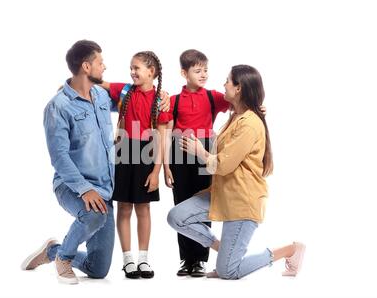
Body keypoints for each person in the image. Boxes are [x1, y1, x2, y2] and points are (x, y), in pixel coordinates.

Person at [167, 65, 305, 280]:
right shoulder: (236, 117)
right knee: (177, 216)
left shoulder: (249, 123)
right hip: (223, 195)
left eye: (228, 81)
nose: (224, 84)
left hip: (241, 201)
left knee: (227, 271)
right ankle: (226, 253)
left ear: (239, 88)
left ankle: (290, 250)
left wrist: (200, 152)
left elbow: (223, 165)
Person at [21, 40, 117, 285]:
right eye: (100, 62)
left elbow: (133, 99)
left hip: (105, 189)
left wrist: (159, 96)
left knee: (98, 270)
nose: (104, 67)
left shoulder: (102, 96)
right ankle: (63, 258)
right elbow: (59, 157)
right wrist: (85, 189)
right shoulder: (58, 107)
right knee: (94, 216)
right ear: (86, 66)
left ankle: (52, 251)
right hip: (71, 185)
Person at [102, 51, 171, 279]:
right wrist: (67, 86)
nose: (132, 72)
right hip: (123, 152)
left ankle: (143, 259)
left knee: (143, 208)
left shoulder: (160, 100)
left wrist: (156, 171)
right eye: (131, 68)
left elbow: (161, 138)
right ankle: (127, 259)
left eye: (137, 68)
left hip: (146, 155)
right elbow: (99, 82)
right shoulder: (124, 90)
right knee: (124, 207)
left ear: (151, 72)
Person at [163, 49, 230, 277]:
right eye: (198, 70)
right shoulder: (173, 100)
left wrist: (258, 108)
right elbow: (163, 128)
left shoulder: (212, 96)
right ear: (184, 73)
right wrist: (167, 167)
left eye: (206, 70)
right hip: (179, 156)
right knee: (181, 203)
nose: (203, 74)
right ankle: (186, 260)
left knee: (204, 206)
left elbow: (238, 101)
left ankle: (200, 259)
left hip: (204, 153)